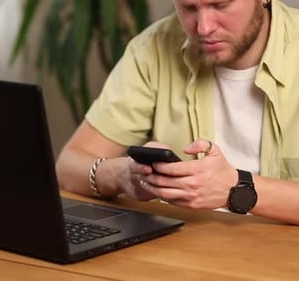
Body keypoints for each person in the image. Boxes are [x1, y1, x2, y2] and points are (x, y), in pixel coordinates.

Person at [55, 0, 299, 225]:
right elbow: (68, 167)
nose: (204, 28)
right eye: (188, 8)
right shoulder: (153, 47)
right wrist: (124, 176)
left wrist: (236, 189)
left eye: (220, 5)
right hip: (184, 252)